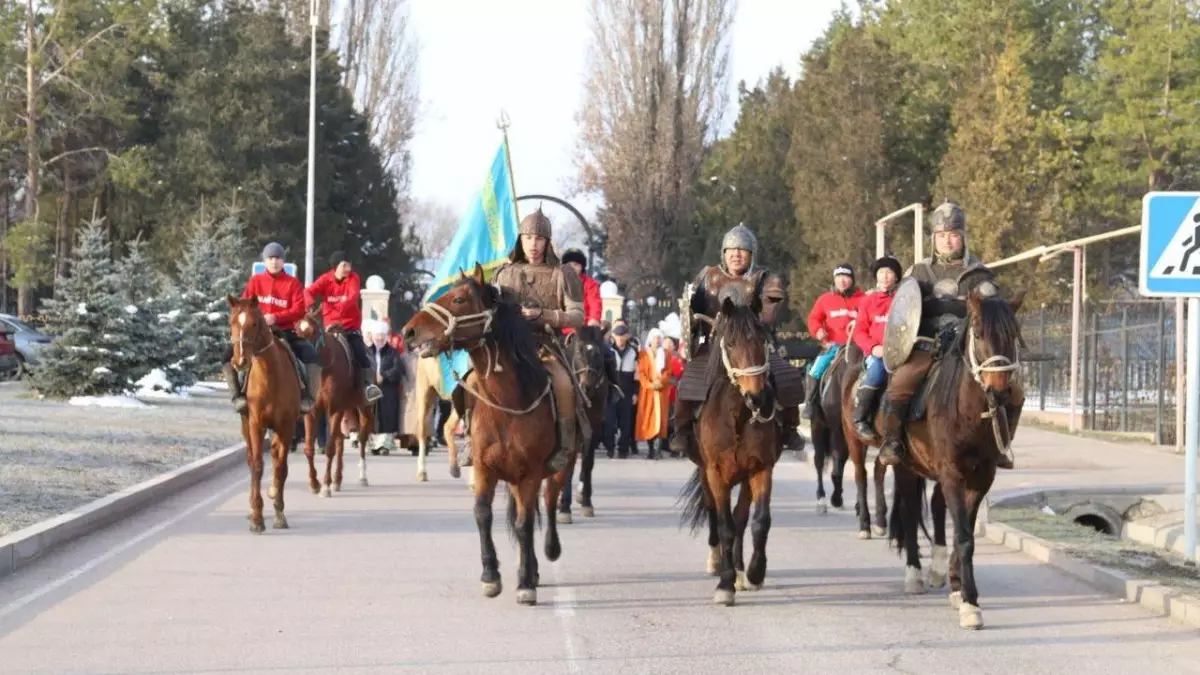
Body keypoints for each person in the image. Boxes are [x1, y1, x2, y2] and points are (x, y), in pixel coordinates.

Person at [876, 200, 1012, 469]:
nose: (948, 242)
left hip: (970, 350)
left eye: (953, 235)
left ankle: (999, 445)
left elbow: (995, 315)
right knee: (901, 383)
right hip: (929, 345)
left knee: (1013, 391)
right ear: (933, 239)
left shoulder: (980, 274)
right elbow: (903, 314)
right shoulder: (919, 272)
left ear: (962, 237)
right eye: (941, 236)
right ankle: (893, 441)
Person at [669, 223, 806, 457]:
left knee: (787, 376)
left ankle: (790, 428)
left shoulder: (764, 278)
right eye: (731, 250)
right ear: (723, 253)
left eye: (742, 250)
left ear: (751, 254)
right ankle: (682, 430)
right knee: (689, 380)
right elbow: (691, 309)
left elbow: (770, 312)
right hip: (714, 345)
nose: (736, 254)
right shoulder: (707, 276)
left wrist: (747, 321)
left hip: (753, 343)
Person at [482, 207, 590, 474]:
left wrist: (544, 314)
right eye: (528, 237)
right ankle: (472, 438)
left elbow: (577, 316)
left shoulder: (563, 274)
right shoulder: (502, 273)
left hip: (545, 347)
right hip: (508, 348)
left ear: (547, 242)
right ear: (520, 239)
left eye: (539, 238)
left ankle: (565, 445)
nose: (533, 244)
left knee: (564, 385)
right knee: (475, 378)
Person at [222, 242, 320, 414]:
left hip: (284, 331)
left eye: (278, 258)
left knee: (310, 355)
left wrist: (276, 317)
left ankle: (307, 397)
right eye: (270, 258)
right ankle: (238, 396)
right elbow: (244, 305)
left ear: (283, 262)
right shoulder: (255, 281)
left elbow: (298, 309)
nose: (274, 262)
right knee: (226, 355)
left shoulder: (292, 283)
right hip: (257, 334)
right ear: (265, 261)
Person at [304, 251, 383, 404]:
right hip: (329, 329)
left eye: (349, 265)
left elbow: (352, 298)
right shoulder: (325, 279)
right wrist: (309, 304)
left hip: (349, 327)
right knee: (311, 350)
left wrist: (334, 308)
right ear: (335, 267)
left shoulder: (354, 278)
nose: (348, 268)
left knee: (360, 353)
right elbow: (308, 291)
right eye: (344, 265)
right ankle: (308, 387)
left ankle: (368, 387)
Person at [849, 255, 902, 441]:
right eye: (881, 273)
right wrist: (873, 348)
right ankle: (860, 418)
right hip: (877, 354)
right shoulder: (868, 301)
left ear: (896, 277)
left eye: (890, 272)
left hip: (902, 352)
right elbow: (860, 331)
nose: (886, 276)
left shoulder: (904, 299)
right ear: (876, 277)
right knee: (877, 374)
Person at [801, 264, 864, 420]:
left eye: (846, 277)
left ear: (852, 280)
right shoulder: (825, 300)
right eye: (839, 277)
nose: (842, 281)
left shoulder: (863, 299)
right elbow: (814, 319)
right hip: (833, 346)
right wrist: (818, 331)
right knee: (815, 370)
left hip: (858, 347)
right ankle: (810, 403)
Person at [561, 247, 624, 402]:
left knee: (608, 353)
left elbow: (595, 302)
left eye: (577, 264)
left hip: (586, 331)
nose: (573, 267)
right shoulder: (558, 282)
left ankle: (613, 386)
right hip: (563, 330)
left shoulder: (590, 284)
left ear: (582, 267)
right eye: (569, 264)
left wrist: (594, 319)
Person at [367, 323, 404, 451]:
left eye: (382, 337)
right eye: (377, 336)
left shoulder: (393, 352)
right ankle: (373, 445)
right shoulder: (367, 352)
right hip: (370, 389)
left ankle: (384, 445)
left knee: (387, 417)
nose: (379, 339)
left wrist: (383, 376)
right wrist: (372, 377)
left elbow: (398, 369)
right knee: (372, 416)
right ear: (372, 337)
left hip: (388, 389)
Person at [635, 328, 671, 459]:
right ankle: (650, 449)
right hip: (648, 393)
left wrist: (660, 381)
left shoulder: (666, 354)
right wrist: (650, 384)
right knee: (648, 419)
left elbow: (668, 371)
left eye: (659, 338)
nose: (657, 340)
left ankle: (658, 450)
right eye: (655, 338)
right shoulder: (643, 354)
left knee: (661, 420)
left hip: (661, 391)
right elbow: (641, 372)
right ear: (650, 339)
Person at [608, 322, 638, 458]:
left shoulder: (634, 351)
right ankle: (610, 447)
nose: (620, 338)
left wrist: (635, 393)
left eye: (622, 336)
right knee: (609, 422)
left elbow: (637, 374)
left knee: (626, 422)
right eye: (617, 336)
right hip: (612, 389)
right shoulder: (608, 350)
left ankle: (623, 449)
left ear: (627, 336)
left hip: (627, 389)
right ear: (613, 336)